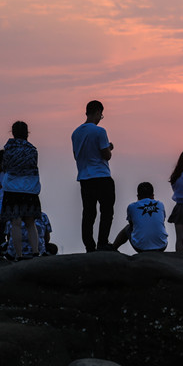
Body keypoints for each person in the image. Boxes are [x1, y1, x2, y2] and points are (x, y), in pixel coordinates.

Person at [71, 100, 116, 252]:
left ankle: (89, 246)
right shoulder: (99, 131)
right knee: (107, 210)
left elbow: (76, 155)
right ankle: (102, 242)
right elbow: (106, 155)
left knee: (89, 212)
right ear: (97, 112)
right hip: (101, 176)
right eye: (101, 115)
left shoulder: (75, 133)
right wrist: (109, 148)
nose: (100, 118)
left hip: (84, 177)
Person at [1, 120, 41, 260]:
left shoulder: (8, 149)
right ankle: (36, 252)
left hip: (12, 188)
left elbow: (5, 167)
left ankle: (19, 255)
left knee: (15, 222)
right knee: (31, 222)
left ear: (12, 133)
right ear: (27, 133)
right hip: (30, 187)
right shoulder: (32, 150)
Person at [112, 182, 168, 253]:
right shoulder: (160, 204)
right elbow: (162, 221)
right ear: (153, 196)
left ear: (138, 196)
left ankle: (113, 248)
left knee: (127, 228)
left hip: (141, 248)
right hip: (162, 246)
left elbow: (132, 226)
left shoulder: (132, 207)